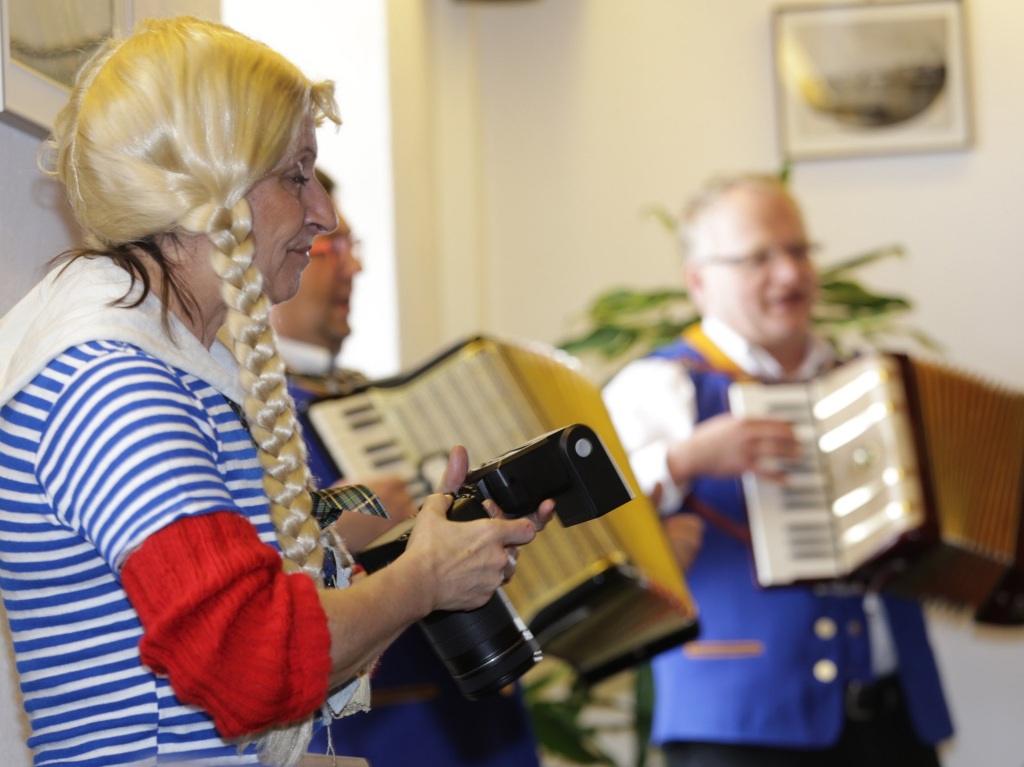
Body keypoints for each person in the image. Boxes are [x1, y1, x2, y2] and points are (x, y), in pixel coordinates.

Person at [0, 17, 552, 767]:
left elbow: (285, 662)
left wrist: (425, 560)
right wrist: (423, 579)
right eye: (297, 175)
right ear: (210, 190)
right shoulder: (111, 383)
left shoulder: (163, 370)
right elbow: (247, 667)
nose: (322, 212)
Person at [603, 173, 953, 767]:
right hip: (737, 730)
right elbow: (582, 523)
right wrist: (685, 459)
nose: (790, 274)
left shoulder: (872, 382)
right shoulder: (659, 386)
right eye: (758, 258)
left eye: (797, 251)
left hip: (892, 723)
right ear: (699, 282)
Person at [269, 174, 543, 766]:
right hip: (381, 733)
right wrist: (335, 531)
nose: (353, 269)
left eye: (353, 247)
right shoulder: (245, 409)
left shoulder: (374, 400)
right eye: (329, 247)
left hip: (481, 722)